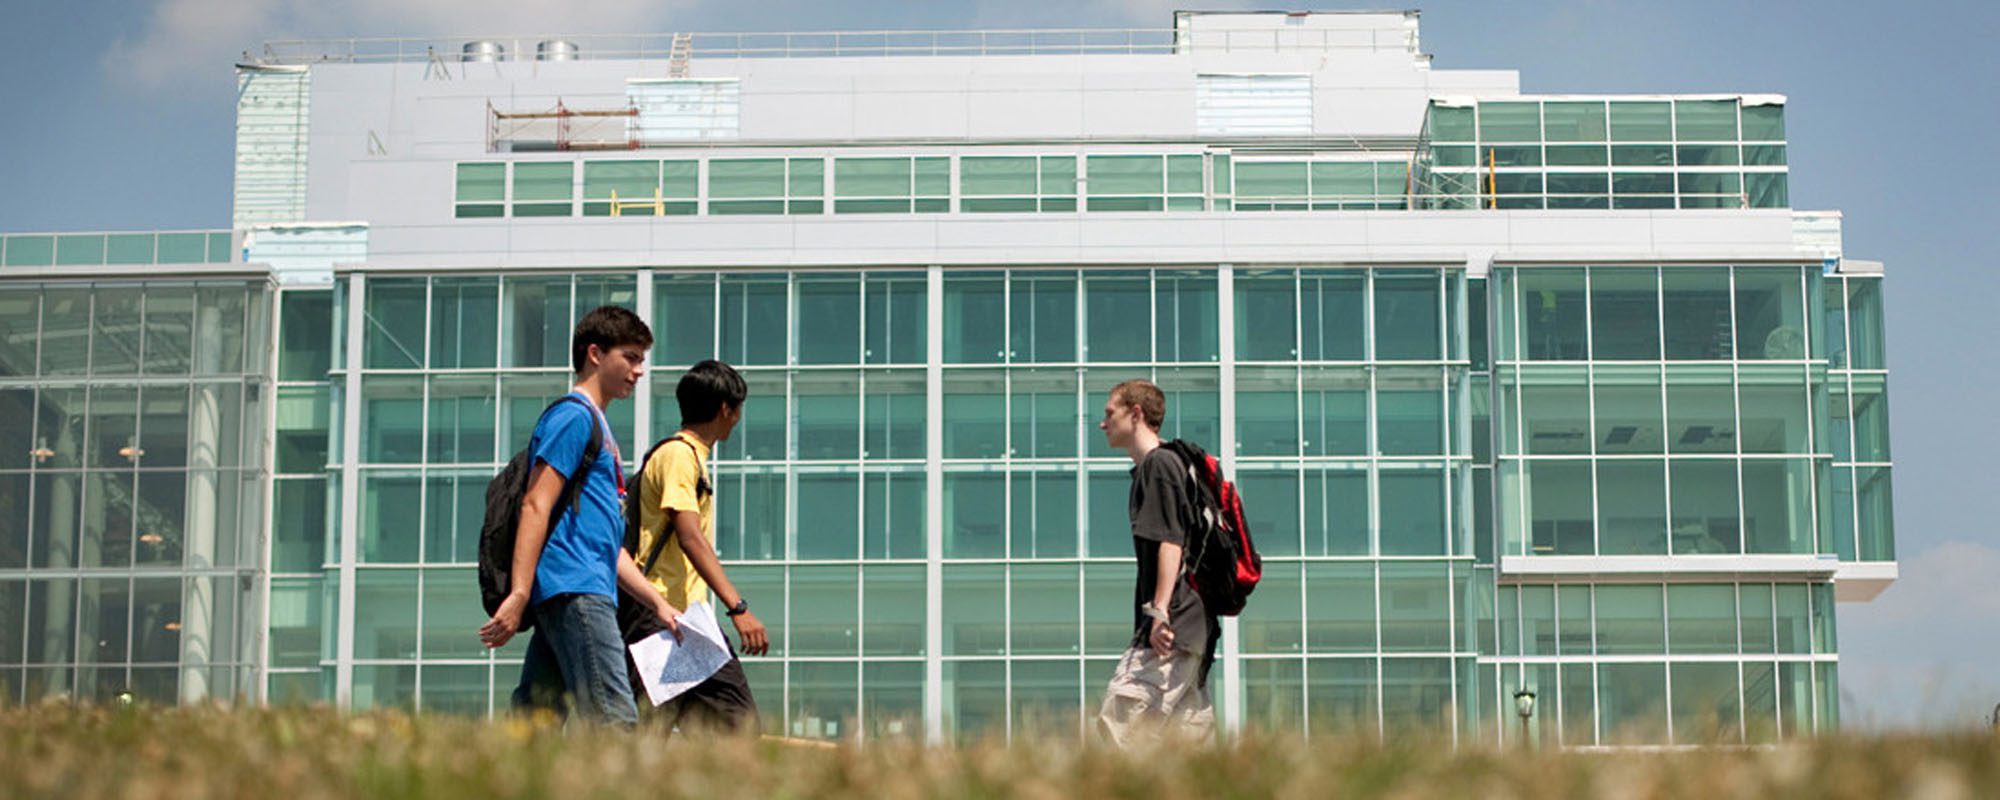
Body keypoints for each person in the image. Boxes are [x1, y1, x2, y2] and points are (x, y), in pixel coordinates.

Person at [478, 305, 681, 726]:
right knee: (614, 719)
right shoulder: (573, 417)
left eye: (641, 359)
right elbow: (536, 503)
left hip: (580, 585)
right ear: (595, 354)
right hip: (576, 588)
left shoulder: (598, 427)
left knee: (536, 723)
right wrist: (518, 593)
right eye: (631, 357)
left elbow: (607, 547)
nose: (639, 371)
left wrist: (658, 604)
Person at [630, 359, 767, 733]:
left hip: (673, 619)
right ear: (726, 409)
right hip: (669, 620)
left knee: (660, 735)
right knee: (738, 728)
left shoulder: (686, 457)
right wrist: (737, 607)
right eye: (738, 410)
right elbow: (690, 536)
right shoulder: (678, 456)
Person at [1095, 379, 1217, 746]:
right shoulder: (1166, 465)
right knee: (1186, 747)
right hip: (1190, 625)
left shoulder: (1160, 465)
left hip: (1172, 624)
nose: (1103, 423)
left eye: (1109, 413)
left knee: (1120, 726)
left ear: (1136, 414)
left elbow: (1171, 541)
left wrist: (1159, 612)